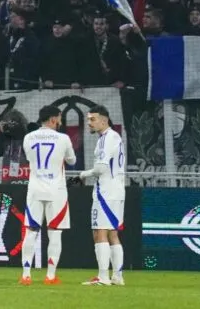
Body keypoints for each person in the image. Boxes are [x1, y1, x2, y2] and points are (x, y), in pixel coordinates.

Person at [20, 104, 76, 285]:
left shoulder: (28, 137)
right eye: (59, 118)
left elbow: (29, 159)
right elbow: (72, 160)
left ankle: (26, 275)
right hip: (56, 191)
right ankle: (50, 276)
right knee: (55, 233)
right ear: (53, 119)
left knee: (30, 232)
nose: (60, 121)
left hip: (35, 189)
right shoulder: (64, 138)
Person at [80, 105, 126, 286]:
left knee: (99, 232)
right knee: (112, 233)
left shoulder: (107, 138)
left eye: (92, 119)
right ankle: (118, 276)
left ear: (104, 120)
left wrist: (83, 174)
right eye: (88, 119)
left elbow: (100, 168)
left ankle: (103, 277)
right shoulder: (114, 137)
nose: (89, 123)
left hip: (106, 192)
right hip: (116, 190)